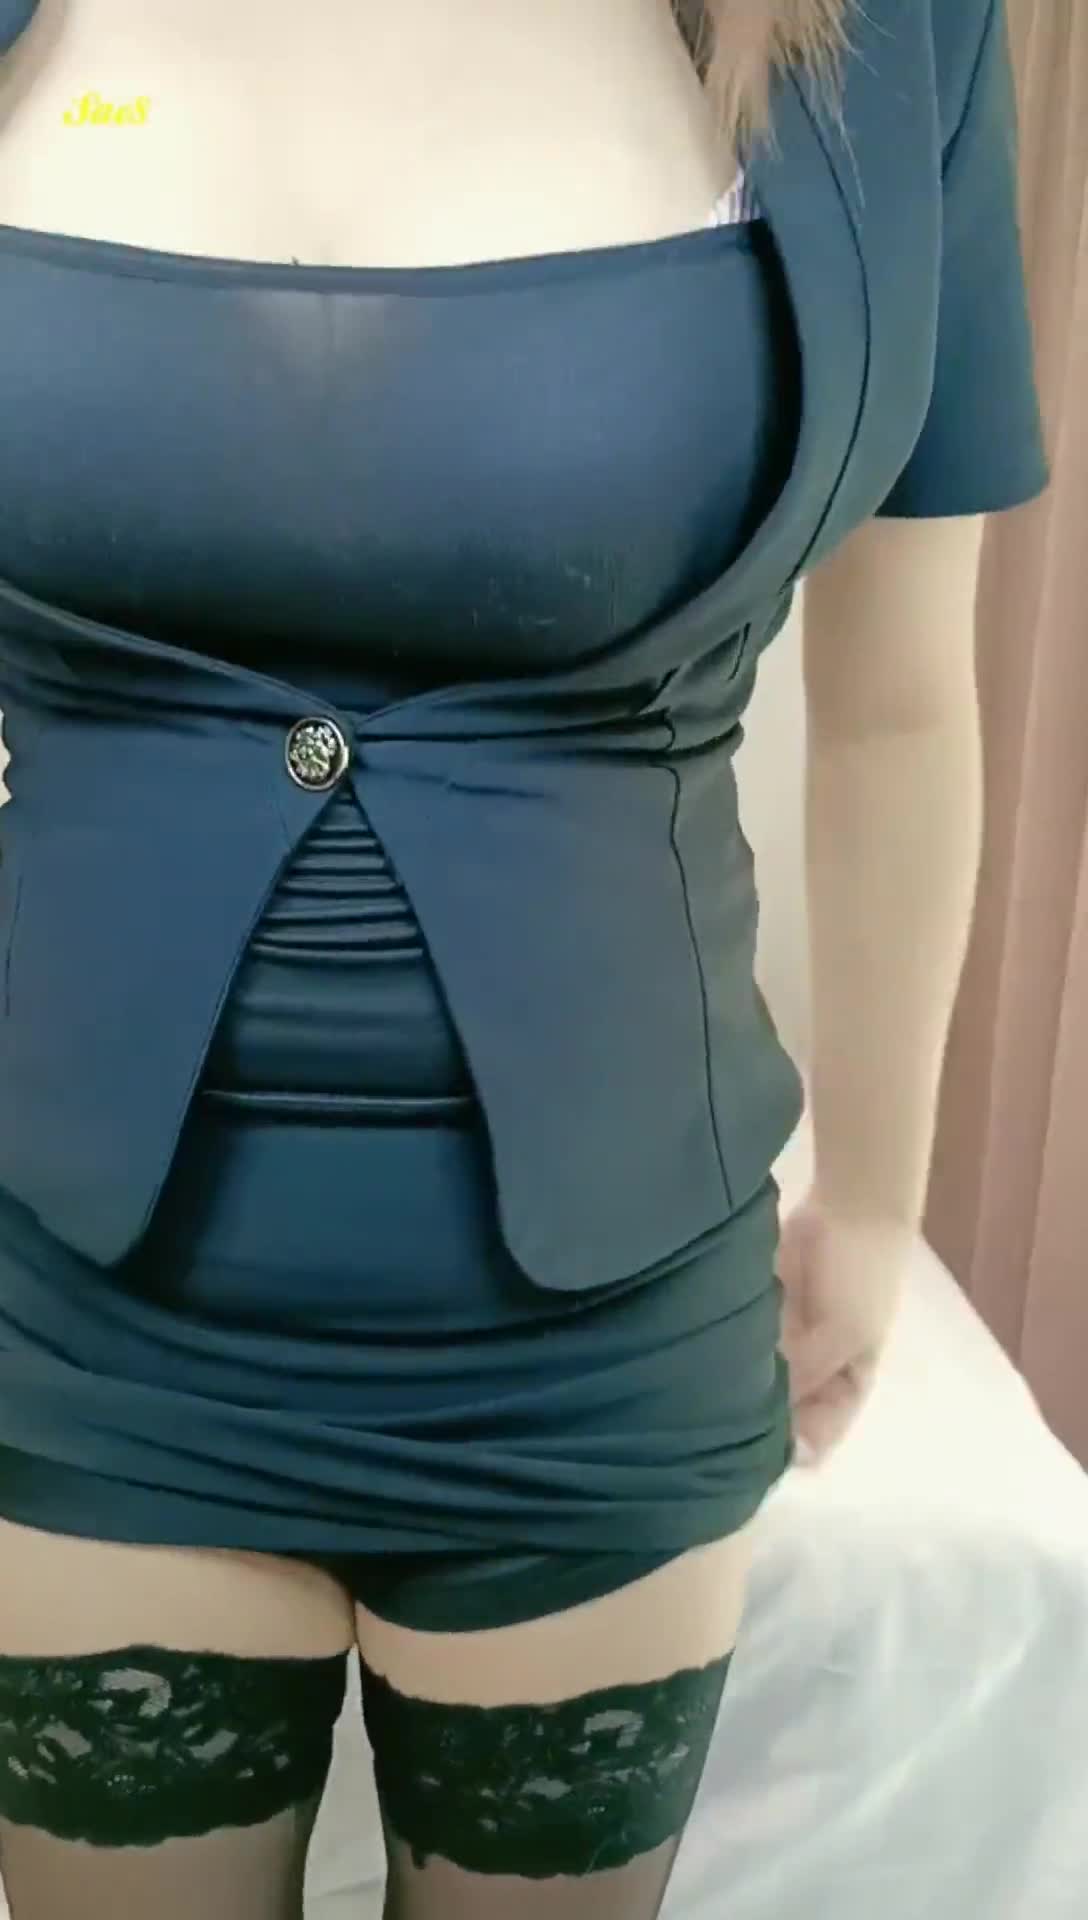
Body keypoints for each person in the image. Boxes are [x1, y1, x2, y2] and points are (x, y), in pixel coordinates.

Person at [0, 1, 1049, 1915]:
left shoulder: (887, 37)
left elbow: (903, 703)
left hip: (600, 1330)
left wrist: (883, 1208)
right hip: (73, 1295)